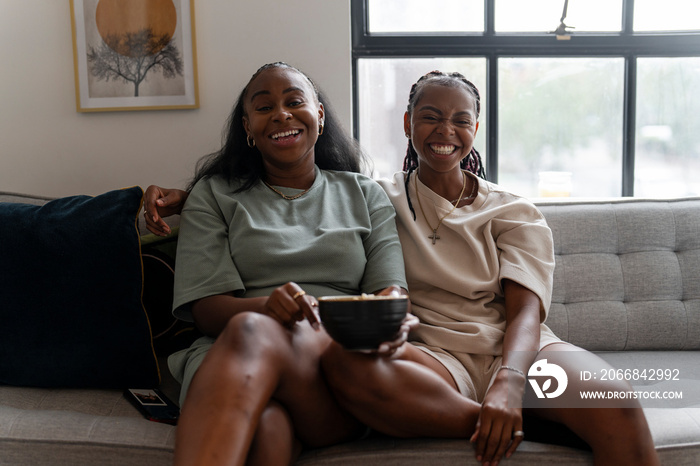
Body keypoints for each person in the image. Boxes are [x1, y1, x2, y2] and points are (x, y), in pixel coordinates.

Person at [144, 70, 660, 466]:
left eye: (461, 120)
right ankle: (501, 422)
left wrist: (509, 380)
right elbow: (275, 195)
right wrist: (192, 197)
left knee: (618, 408)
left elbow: (526, 313)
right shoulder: (384, 194)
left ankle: (519, 409)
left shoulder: (511, 210)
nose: (446, 130)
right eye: (431, 116)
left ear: (475, 129)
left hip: (519, 350)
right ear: (408, 124)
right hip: (435, 358)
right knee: (331, 375)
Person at [152, 62, 411, 466]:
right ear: (248, 127)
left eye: (294, 101)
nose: (281, 114)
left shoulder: (364, 194)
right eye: (263, 107)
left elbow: (389, 293)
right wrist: (266, 308)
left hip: (328, 359)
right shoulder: (214, 195)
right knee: (269, 425)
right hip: (231, 356)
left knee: (256, 334)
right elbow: (205, 310)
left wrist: (378, 318)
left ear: (319, 116)